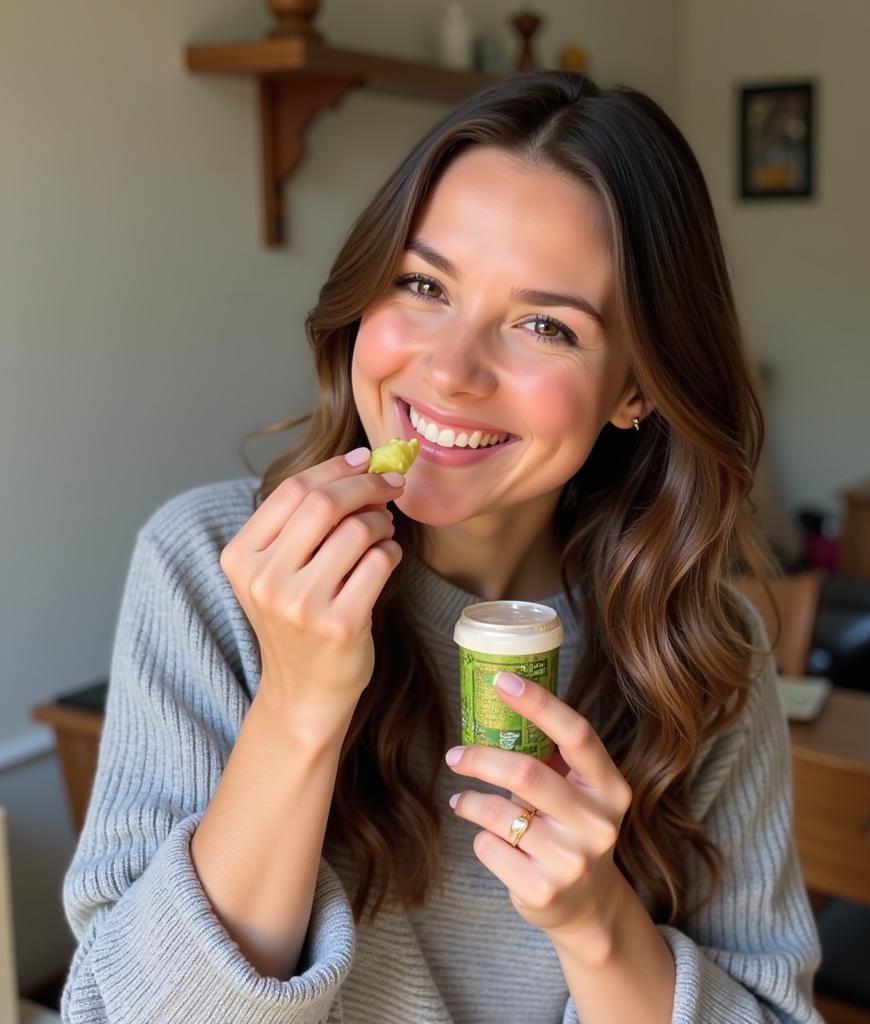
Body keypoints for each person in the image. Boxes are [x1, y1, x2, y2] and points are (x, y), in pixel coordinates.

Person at [61, 71, 823, 1023]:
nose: (451, 372)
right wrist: (299, 706)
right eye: (422, 284)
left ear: (638, 389)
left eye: (545, 325)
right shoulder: (211, 566)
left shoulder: (704, 648)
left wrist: (595, 922)